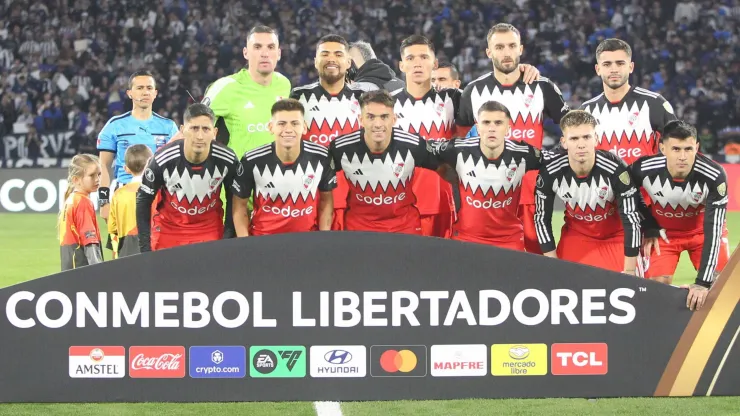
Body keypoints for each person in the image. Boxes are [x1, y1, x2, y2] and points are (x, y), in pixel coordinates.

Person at [457, 23, 568, 255]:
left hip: (530, 192)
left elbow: (570, 125)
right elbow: (460, 142)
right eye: (499, 47)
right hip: (488, 194)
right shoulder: (473, 91)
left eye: (511, 46)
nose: (506, 52)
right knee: (491, 259)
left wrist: (554, 157)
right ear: (489, 52)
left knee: (538, 258)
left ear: (521, 49)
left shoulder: (541, 86)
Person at [200, 25, 292, 236]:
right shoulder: (226, 87)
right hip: (237, 193)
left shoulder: (284, 85)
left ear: (279, 53)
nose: (264, 52)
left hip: (275, 193)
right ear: (245, 52)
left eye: (270, 47)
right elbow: (193, 126)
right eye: (257, 46)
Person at [631, 120, 729, 311]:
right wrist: (648, 223)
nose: (683, 156)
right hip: (664, 236)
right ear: (662, 148)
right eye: (676, 149)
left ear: (697, 147)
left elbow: (714, 231)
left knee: (721, 287)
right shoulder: (643, 168)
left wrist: (702, 283)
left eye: (688, 149)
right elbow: (625, 192)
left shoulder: (714, 175)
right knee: (657, 288)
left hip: (702, 235)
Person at [534, 110, 643, 274]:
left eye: (586, 137)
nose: (581, 144)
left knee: (629, 290)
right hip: (577, 236)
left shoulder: (615, 170)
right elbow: (541, 219)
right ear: (564, 142)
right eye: (574, 138)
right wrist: (552, 263)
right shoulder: (550, 173)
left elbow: (631, 218)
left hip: (615, 236)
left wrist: (629, 270)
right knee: (563, 285)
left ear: (596, 139)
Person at [329, 90, 440, 234]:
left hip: (404, 227)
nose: (377, 124)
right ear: (360, 119)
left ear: (394, 119)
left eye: (384, 117)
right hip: (359, 228)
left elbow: (444, 167)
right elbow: (321, 178)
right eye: (370, 117)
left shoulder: (413, 145)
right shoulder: (340, 147)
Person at [435, 101, 542, 249]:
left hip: (509, 240)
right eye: (486, 123)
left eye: (498, 123)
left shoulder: (524, 154)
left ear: (508, 128)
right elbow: (422, 151)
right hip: (466, 239)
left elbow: (556, 163)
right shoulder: (457, 150)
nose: (492, 128)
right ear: (478, 127)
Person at [136, 104, 240, 252]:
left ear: (214, 132)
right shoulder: (162, 159)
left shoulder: (227, 159)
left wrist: (228, 237)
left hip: (209, 230)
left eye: (206, 129)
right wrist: (145, 248)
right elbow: (143, 200)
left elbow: (234, 198)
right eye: (194, 128)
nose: (199, 136)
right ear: (182, 130)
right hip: (170, 231)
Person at [290, 34, 364, 231]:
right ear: (315, 61)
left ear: (348, 62)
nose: (331, 59)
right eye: (325, 54)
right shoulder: (299, 96)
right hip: (309, 200)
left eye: (338, 54)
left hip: (354, 201)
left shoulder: (363, 98)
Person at [232, 99, 337, 236]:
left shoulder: (321, 156)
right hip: (264, 240)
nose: (288, 130)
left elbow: (326, 200)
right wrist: (245, 243)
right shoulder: (252, 159)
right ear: (271, 127)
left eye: (295, 123)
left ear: (304, 127)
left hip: (307, 239)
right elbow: (239, 206)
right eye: (281, 124)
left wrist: (323, 237)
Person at [391, 35, 459, 238]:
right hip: (400, 205)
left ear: (435, 63)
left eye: (423, 57)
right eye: (410, 59)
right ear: (402, 66)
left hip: (442, 203)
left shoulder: (454, 99)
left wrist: (525, 70)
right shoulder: (387, 105)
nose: (417, 64)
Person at [97, 69, 179, 223]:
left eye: (149, 88)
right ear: (130, 93)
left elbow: (176, 166)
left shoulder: (168, 127)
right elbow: (104, 165)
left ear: (155, 93)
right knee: (125, 245)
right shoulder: (115, 125)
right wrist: (103, 201)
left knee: (159, 246)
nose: (145, 92)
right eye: (140, 88)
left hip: (160, 197)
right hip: (124, 195)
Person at [581, 39, 677, 165]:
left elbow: (679, 147)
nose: (614, 69)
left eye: (620, 63)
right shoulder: (586, 111)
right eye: (607, 64)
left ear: (631, 67)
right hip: (603, 185)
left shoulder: (654, 103)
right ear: (598, 69)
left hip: (644, 185)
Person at [58, 154, 103, 271]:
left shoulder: (71, 200)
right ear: (76, 179)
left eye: (99, 174)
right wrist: (99, 270)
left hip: (70, 267)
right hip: (82, 269)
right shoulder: (83, 202)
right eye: (92, 175)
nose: (97, 179)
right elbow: (89, 240)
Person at [108, 144, 152, 258]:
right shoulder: (157, 191)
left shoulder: (119, 194)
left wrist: (115, 255)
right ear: (152, 163)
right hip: (153, 246)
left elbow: (113, 229)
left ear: (126, 169)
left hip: (126, 250)